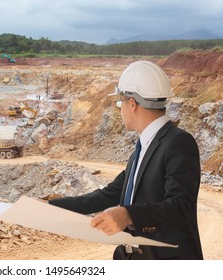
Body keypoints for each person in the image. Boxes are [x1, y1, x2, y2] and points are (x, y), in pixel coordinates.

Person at [48, 60, 203, 260]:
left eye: (119, 103)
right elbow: (108, 195)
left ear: (132, 104)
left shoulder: (178, 142)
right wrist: (49, 208)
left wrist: (128, 215)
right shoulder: (143, 148)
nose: (120, 110)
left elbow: (181, 206)